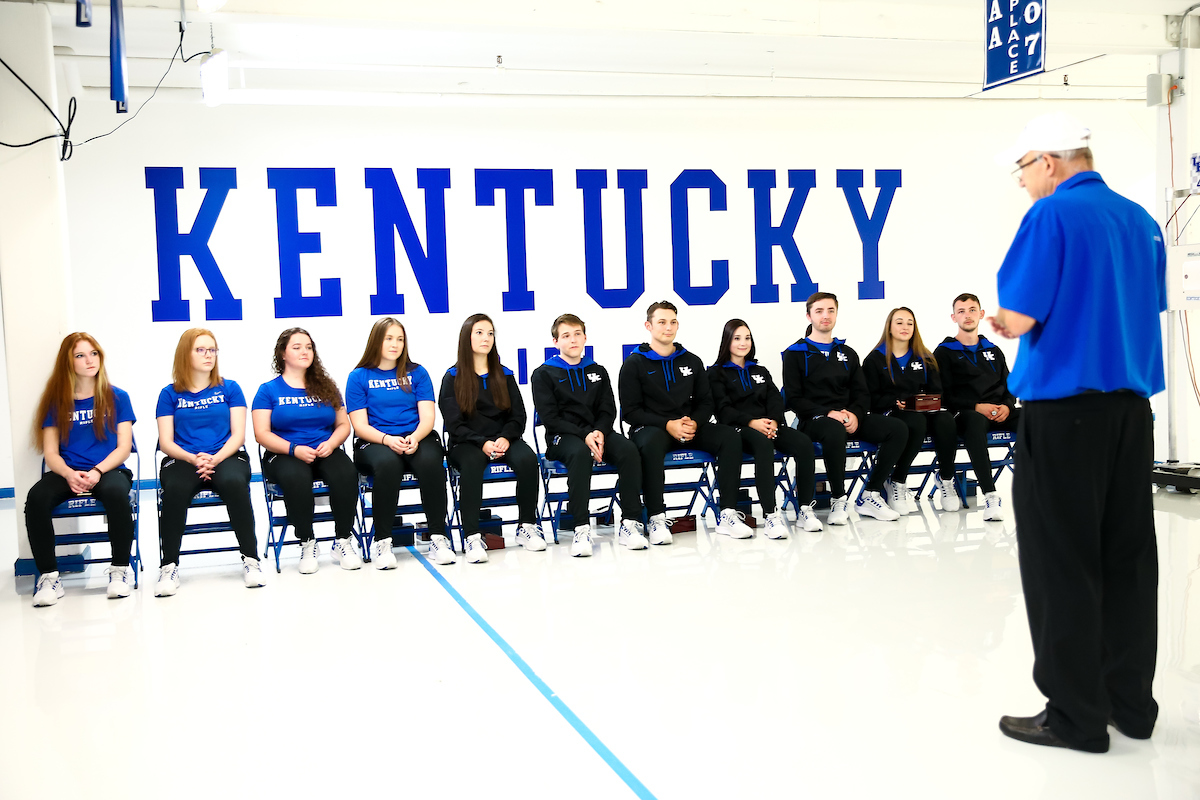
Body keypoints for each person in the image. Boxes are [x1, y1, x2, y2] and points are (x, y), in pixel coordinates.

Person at [991, 112, 1165, 753]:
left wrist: (1000, 323)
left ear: (1049, 161)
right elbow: (1141, 306)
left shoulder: (1052, 216)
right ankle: (1129, 704)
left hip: (1064, 414)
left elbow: (1023, 313)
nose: (1022, 184)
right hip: (1130, 412)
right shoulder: (1140, 221)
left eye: (1023, 170)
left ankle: (1075, 716)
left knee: (1060, 560)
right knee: (1126, 557)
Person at [618, 301, 754, 543]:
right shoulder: (634, 363)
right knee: (649, 444)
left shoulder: (691, 360)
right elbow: (630, 412)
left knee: (730, 437)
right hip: (652, 428)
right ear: (648, 326)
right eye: (661, 322)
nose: (668, 327)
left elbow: (706, 402)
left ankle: (727, 514)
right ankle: (657, 518)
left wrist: (695, 423)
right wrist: (667, 424)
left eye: (672, 322)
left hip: (690, 427)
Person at [27, 333, 137, 606]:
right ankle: (50, 576)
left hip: (108, 470)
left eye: (94, 353)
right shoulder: (55, 401)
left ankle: (120, 569)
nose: (90, 360)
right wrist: (67, 474)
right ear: (68, 362)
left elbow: (124, 447)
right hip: (68, 471)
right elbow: (50, 452)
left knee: (115, 494)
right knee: (36, 499)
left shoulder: (118, 397)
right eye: (80, 355)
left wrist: (98, 471)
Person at [781, 292, 906, 524]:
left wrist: (856, 414)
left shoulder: (847, 353)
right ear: (809, 316)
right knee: (833, 430)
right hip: (814, 420)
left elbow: (862, 393)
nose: (825, 316)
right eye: (819, 311)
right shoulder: (795, 354)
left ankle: (871, 493)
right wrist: (829, 413)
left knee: (897, 428)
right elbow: (794, 398)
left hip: (848, 418)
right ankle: (839, 499)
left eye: (830, 310)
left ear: (836, 314)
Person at [155, 328, 263, 595]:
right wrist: (193, 458)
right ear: (185, 354)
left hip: (225, 455)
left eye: (212, 350)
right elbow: (166, 442)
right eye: (200, 350)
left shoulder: (230, 388)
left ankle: (251, 559)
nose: (208, 355)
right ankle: (169, 566)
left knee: (235, 483)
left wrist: (214, 458)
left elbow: (238, 435)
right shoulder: (169, 394)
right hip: (184, 458)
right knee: (175, 490)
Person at [531, 313, 648, 556]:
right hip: (562, 437)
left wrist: (599, 432)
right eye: (566, 336)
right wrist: (586, 435)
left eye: (577, 334)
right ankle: (581, 528)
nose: (572, 340)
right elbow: (551, 418)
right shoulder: (543, 374)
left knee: (628, 451)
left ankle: (630, 522)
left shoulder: (597, 370)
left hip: (599, 433)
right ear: (556, 342)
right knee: (579, 453)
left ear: (585, 338)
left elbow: (608, 410)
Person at [251, 328, 361, 574]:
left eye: (309, 347)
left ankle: (342, 540)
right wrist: (293, 448)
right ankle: (307, 541)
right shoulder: (268, 391)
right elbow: (262, 433)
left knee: (346, 473)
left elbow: (344, 425)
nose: (304, 351)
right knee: (296, 477)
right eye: (297, 347)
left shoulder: (327, 386)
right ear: (282, 354)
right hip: (284, 453)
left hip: (325, 447)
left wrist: (332, 443)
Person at [347, 318, 453, 568]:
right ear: (376, 341)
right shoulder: (359, 376)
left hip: (415, 436)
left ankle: (438, 536)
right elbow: (360, 425)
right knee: (388, 465)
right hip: (375, 441)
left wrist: (415, 437)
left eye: (400, 339)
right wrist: (387, 440)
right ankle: (382, 541)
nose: (395, 344)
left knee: (431, 462)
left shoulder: (417, 373)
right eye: (389, 338)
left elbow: (428, 416)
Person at [439, 314, 544, 563]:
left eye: (490, 333)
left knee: (528, 461)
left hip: (503, 439)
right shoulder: (452, 377)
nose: (486, 338)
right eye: (479, 332)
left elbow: (518, 415)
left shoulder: (504, 375)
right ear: (467, 337)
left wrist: (506, 438)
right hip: (466, 443)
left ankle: (526, 526)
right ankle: (472, 536)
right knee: (472, 465)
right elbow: (454, 423)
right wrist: (481, 442)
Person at [707, 318, 821, 537]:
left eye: (747, 338)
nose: (743, 343)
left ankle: (805, 509)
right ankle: (771, 515)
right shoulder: (716, 373)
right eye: (737, 338)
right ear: (727, 341)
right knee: (763, 445)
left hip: (769, 425)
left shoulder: (759, 370)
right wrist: (752, 422)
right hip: (739, 429)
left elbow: (775, 400)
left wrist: (774, 421)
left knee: (804, 443)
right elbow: (723, 410)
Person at [862, 307, 962, 515]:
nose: (905, 327)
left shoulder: (925, 357)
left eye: (909, 323)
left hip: (924, 411)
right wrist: (893, 401)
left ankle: (946, 479)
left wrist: (925, 400)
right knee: (916, 422)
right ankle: (897, 480)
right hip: (893, 413)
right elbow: (870, 398)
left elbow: (937, 391)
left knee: (946, 420)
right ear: (889, 327)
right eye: (899, 322)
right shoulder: (875, 359)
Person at [934, 293, 1017, 521]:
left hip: (999, 411)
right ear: (953, 317)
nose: (967, 315)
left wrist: (1008, 407)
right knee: (975, 421)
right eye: (961, 311)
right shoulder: (944, 352)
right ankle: (991, 495)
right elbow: (944, 396)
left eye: (972, 310)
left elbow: (1008, 386)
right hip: (965, 414)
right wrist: (976, 406)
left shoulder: (994, 350)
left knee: (1035, 418)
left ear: (981, 314)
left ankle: (1045, 486)